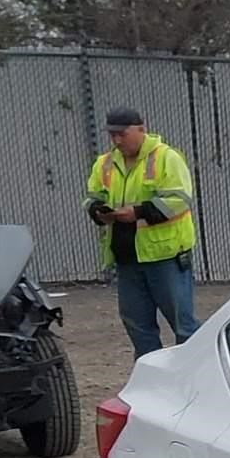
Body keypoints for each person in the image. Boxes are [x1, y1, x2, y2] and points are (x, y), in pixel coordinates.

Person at [85, 107, 198, 354]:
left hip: (165, 257)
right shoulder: (105, 163)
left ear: (141, 129)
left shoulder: (166, 158)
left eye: (122, 134)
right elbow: (92, 196)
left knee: (184, 326)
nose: (116, 140)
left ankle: (195, 379)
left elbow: (179, 199)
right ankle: (150, 381)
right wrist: (97, 210)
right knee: (138, 327)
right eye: (112, 135)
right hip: (127, 258)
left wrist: (138, 212)